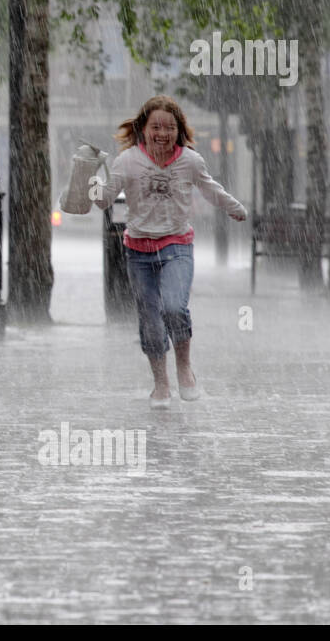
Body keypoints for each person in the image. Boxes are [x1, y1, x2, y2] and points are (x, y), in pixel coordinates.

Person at [93, 95, 246, 408]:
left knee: (174, 307)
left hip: (176, 246)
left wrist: (234, 208)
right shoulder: (127, 161)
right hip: (138, 251)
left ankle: (184, 368)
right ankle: (160, 383)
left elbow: (210, 188)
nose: (162, 133)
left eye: (170, 127)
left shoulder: (190, 160)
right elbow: (103, 199)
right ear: (143, 128)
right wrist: (91, 181)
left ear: (179, 131)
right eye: (156, 127)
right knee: (150, 320)